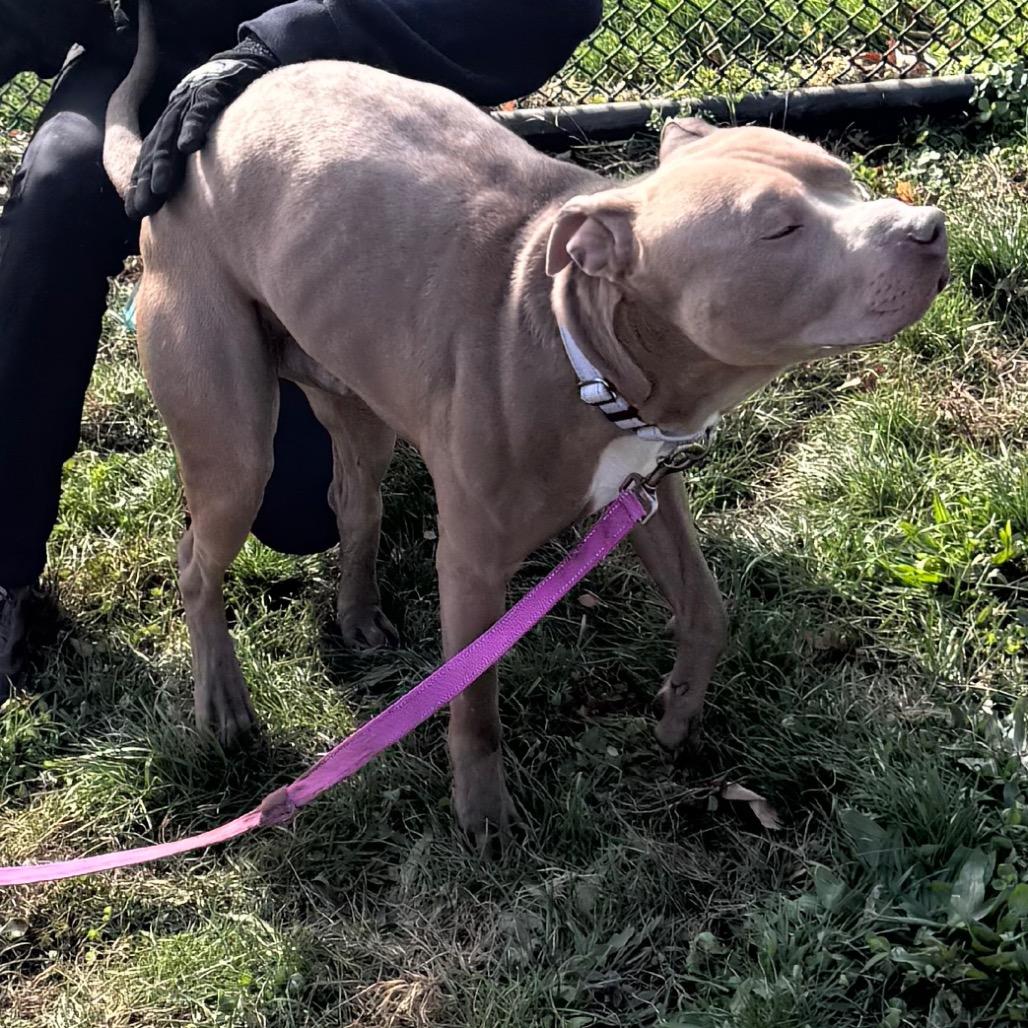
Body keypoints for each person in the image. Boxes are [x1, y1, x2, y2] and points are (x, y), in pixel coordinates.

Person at [0, 0, 603, 695]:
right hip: (157, 55)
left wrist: (280, 43)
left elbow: (550, 12)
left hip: (336, 79)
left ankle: (236, 318)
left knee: (300, 510)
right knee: (55, 197)